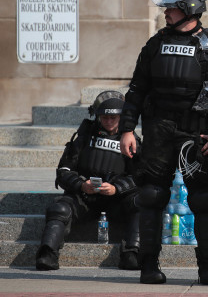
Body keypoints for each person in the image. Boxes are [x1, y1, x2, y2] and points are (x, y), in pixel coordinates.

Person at [119, 0, 208, 285]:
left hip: (197, 132)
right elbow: (136, 90)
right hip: (159, 130)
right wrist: (126, 129)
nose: (165, 12)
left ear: (188, 10)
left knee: (203, 199)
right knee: (151, 196)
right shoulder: (154, 45)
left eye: (171, 8)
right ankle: (148, 265)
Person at [35, 91, 141, 271]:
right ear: (97, 116)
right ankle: (47, 253)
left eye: (113, 117)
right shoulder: (83, 138)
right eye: (104, 117)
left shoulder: (132, 141)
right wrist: (81, 185)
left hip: (117, 200)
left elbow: (140, 176)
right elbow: (63, 171)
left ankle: (132, 254)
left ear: (122, 117)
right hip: (84, 198)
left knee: (141, 203)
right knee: (59, 209)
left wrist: (116, 188)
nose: (108, 121)